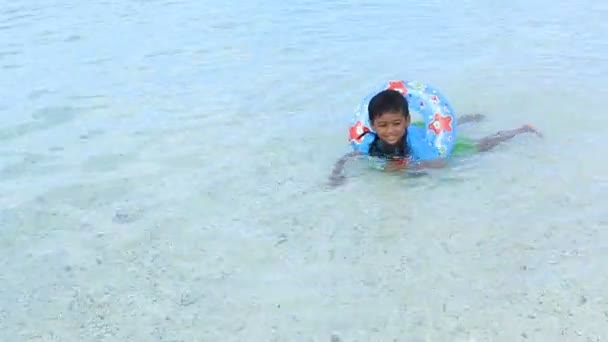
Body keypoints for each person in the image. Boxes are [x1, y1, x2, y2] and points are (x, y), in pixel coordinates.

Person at [328, 89, 541, 187]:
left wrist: (407, 167)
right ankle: (465, 119)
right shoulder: (370, 141)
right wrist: (336, 175)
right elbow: (349, 156)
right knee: (440, 126)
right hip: (421, 128)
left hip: (426, 136)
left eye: (396, 124)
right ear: (373, 126)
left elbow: (439, 163)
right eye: (382, 125)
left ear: (406, 120)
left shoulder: (416, 143)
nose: (390, 131)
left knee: (479, 146)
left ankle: (520, 130)